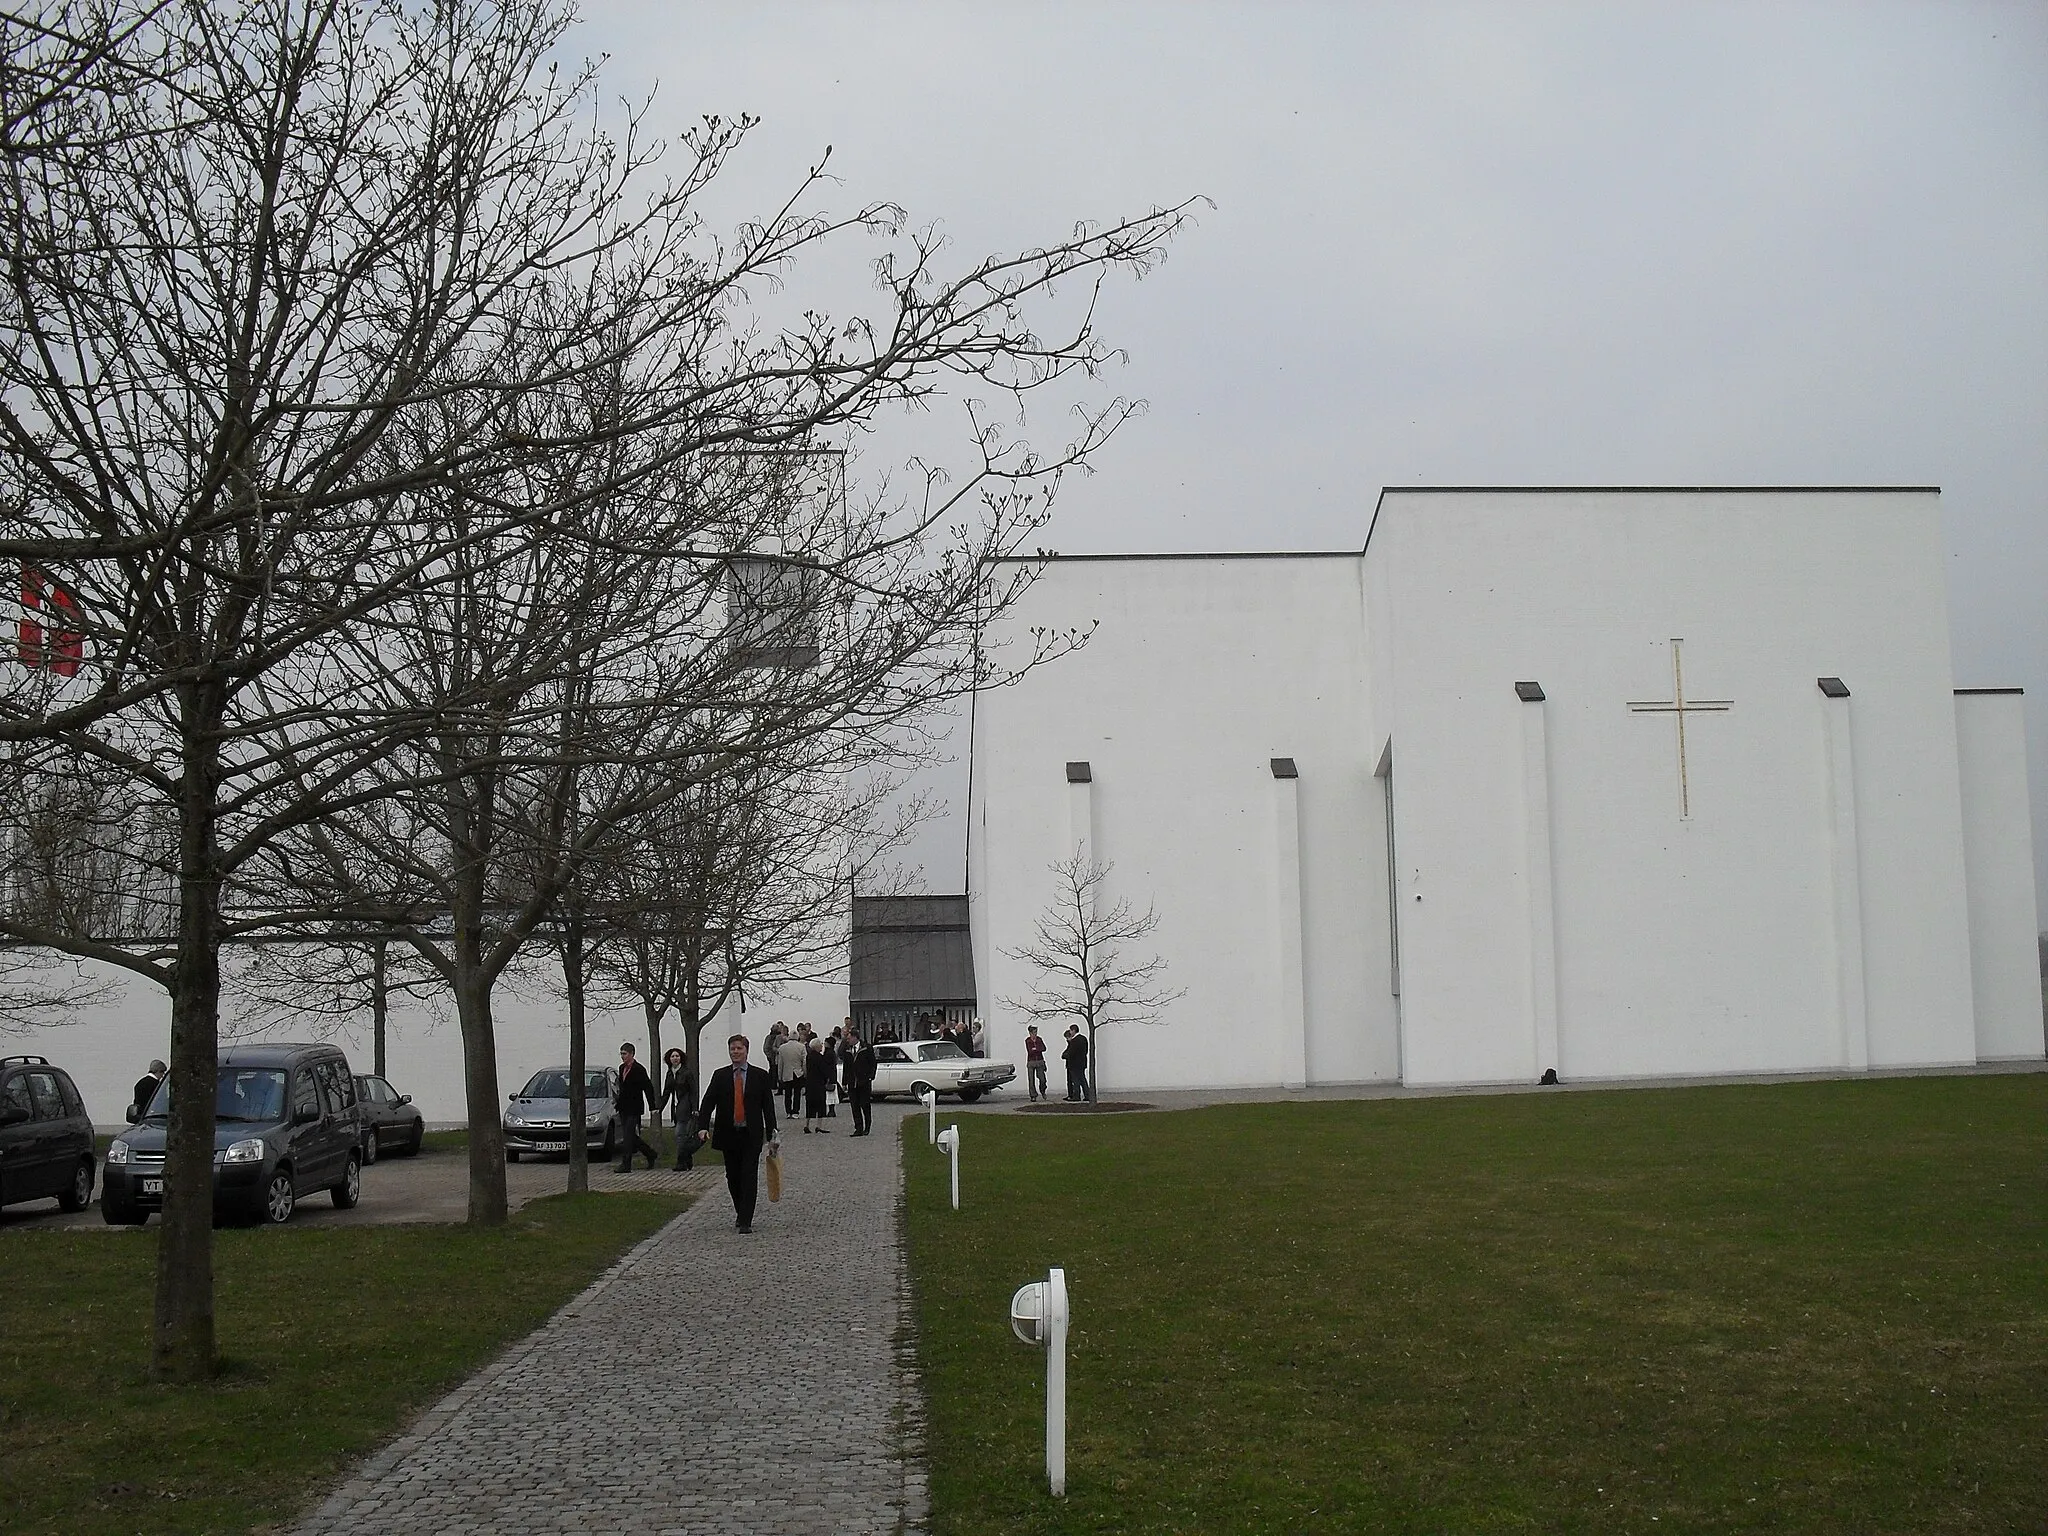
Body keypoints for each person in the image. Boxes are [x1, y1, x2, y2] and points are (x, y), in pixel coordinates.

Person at [696, 1034, 777, 1232]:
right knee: (733, 1176)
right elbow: (708, 1103)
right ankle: (740, 1211)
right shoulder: (720, 1075)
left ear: (746, 1051)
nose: (736, 1052)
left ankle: (745, 1220)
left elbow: (768, 1107)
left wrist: (773, 1134)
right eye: (732, 1048)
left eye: (739, 1048)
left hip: (751, 1134)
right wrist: (703, 1126)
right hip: (728, 1133)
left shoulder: (760, 1076)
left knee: (748, 1175)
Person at [614, 1042, 660, 1171]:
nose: (622, 1056)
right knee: (630, 1136)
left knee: (628, 1136)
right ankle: (650, 1154)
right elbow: (622, 1088)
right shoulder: (622, 1068)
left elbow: (647, 1087)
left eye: (625, 1054)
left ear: (632, 1054)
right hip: (623, 1107)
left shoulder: (639, 1069)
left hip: (634, 1107)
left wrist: (652, 1106)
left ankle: (626, 1164)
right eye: (621, 1054)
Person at [659, 1047, 697, 1170]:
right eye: (672, 1056)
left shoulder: (686, 1072)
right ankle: (688, 1159)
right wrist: (659, 1108)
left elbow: (693, 1091)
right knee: (683, 1136)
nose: (675, 1058)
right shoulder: (670, 1073)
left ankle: (680, 1162)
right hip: (675, 1107)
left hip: (685, 1107)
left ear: (681, 1058)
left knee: (679, 1134)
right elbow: (667, 1091)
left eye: (677, 1056)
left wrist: (695, 1108)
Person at [849, 1028, 876, 1135]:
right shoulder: (848, 1049)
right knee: (854, 1106)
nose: (848, 1040)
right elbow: (847, 1066)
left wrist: (870, 1076)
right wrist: (845, 1081)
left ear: (855, 1037)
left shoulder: (866, 1048)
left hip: (863, 1081)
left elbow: (873, 1063)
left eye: (850, 1037)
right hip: (852, 1082)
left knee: (865, 1105)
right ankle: (858, 1127)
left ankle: (867, 1126)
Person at [804, 1033, 832, 1133]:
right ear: (816, 1046)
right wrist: (827, 1077)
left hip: (810, 1083)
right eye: (820, 1044)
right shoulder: (819, 1057)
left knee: (810, 1104)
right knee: (820, 1105)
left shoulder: (809, 1056)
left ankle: (806, 1124)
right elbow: (824, 1070)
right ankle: (818, 1126)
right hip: (819, 1084)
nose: (822, 1046)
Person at [776, 1028, 807, 1116]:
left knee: (787, 1094)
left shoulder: (782, 1048)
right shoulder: (801, 1047)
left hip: (787, 1073)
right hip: (798, 1073)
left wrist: (779, 1075)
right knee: (797, 1094)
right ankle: (795, 1111)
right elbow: (804, 1061)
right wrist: (805, 1072)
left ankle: (788, 1111)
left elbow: (780, 1063)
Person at [1062, 1026, 1090, 1102]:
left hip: (1074, 1064)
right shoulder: (1083, 1038)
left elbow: (1071, 1053)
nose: (1070, 1032)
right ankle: (1087, 1095)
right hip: (1082, 1062)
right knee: (1082, 1079)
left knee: (1076, 1080)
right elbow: (1086, 1051)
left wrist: (1064, 1055)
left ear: (1074, 1030)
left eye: (1071, 1030)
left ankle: (1076, 1096)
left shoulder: (1074, 1041)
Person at [1023, 1026, 1047, 1102]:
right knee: (1031, 1079)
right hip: (1031, 1061)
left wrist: (1036, 1049)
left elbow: (1044, 1048)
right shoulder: (1028, 1040)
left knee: (1042, 1078)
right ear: (1030, 1033)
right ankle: (1033, 1095)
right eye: (1033, 1033)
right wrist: (1037, 1049)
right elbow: (1030, 1051)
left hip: (1040, 1061)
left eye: (1036, 1032)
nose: (1035, 1034)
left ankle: (1042, 1090)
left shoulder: (1039, 1039)